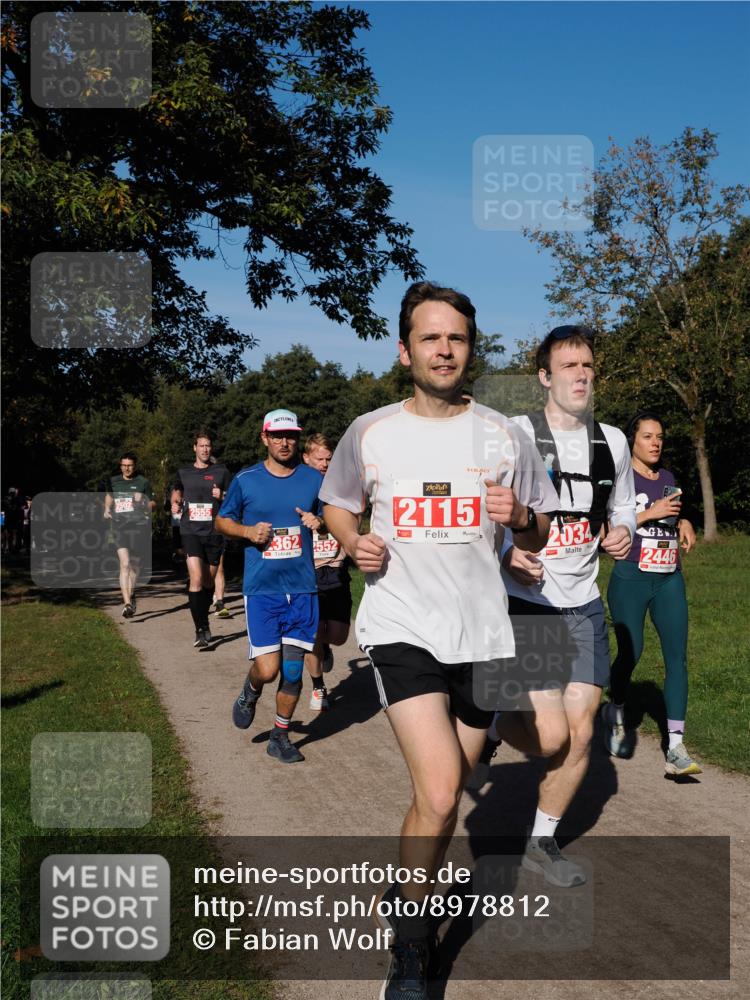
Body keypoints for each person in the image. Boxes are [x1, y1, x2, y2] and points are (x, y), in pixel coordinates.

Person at [320, 282, 558, 999]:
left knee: (449, 790)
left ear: (470, 349)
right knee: (445, 790)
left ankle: (405, 894)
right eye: (430, 337)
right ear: (405, 350)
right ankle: (411, 948)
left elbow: (541, 526)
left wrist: (519, 516)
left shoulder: (504, 435)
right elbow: (336, 502)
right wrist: (354, 538)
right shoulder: (372, 431)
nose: (444, 348)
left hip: (481, 632)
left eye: (456, 337)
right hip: (401, 626)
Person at [477, 324, 636, 889]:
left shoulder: (613, 442)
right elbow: (483, 508)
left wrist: (622, 532)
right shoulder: (515, 434)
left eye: (588, 365)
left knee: (585, 735)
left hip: (584, 605)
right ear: (544, 377)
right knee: (553, 738)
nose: (582, 375)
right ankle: (494, 723)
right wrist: (505, 556)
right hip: (531, 603)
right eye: (569, 366)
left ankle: (540, 842)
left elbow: (623, 508)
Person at [216, 409, 324, 764]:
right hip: (263, 590)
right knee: (268, 669)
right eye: (277, 436)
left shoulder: (313, 479)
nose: (284, 442)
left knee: (293, 671)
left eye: (290, 435)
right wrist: (247, 532)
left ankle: (280, 735)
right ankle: (249, 692)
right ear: (264, 438)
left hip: (303, 589)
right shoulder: (246, 479)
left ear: (297, 438)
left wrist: (319, 520)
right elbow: (222, 521)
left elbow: (334, 514)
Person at [603, 411, 701, 777]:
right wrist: (649, 514)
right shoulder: (618, 479)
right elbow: (607, 528)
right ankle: (614, 711)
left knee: (678, 656)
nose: (656, 443)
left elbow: (673, 518)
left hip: (669, 577)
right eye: (647, 436)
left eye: (659, 436)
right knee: (632, 652)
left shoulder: (668, 478)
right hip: (631, 575)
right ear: (633, 440)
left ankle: (675, 745)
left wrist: (686, 523)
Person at [302, 433, 353, 710]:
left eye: (328, 458)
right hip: (307, 572)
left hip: (334, 567)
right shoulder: (298, 488)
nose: (324, 463)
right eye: (318, 458)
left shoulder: (340, 487)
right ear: (306, 458)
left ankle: (326, 647)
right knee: (313, 633)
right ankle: (318, 686)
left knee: (337, 634)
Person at [171, 431, 232, 648]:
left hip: (214, 532)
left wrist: (222, 496)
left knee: (208, 582)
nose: (205, 449)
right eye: (201, 446)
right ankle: (200, 629)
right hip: (191, 531)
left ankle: (204, 620)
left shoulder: (221, 471)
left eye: (208, 446)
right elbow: (176, 490)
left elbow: (234, 498)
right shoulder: (184, 472)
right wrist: (175, 501)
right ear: (194, 448)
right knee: (196, 578)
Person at [104, 453, 156, 618]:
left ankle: (131, 593)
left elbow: (153, 504)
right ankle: (127, 603)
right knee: (124, 564)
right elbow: (109, 497)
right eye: (124, 465)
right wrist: (106, 509)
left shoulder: (143, 482)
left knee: (134, 566)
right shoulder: (113, 481)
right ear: (120, 466)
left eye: (130, 465)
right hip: (119, 526)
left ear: (135, 466)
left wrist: (143, 501)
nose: (127, 468)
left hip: (138, 527)